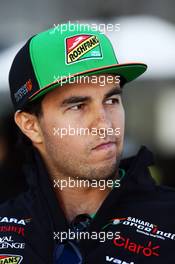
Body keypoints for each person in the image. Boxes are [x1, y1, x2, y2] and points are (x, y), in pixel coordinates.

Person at [0, 23, 174, 264]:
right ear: (31, 126)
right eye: (78, 106)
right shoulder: (6, 229)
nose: (104, 124)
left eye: (111, 100)